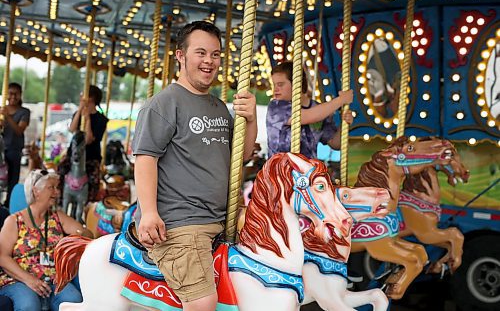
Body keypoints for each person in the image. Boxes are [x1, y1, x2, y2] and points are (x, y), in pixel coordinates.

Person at [132, 21, 257, 311]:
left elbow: (243, 153)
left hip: (223, 220)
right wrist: (149, 212)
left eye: (215, 55)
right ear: (180, 56)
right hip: (182, 224)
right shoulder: (163, 104)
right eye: (200, 53)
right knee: (203, 303)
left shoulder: (217, 106)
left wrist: (251, 119)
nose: (209, 61)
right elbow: (145, 159)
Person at [0, 169, 93, 311]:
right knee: (28, 305)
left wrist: (76, 236)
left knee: (73, 301)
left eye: (57, 188)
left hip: (53, 279)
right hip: (19, 279)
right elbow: (2, 257)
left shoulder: (57, 217)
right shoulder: (14, 221)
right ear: (36, 191)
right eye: (52, 188)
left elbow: (87, 234)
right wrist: (29, 279)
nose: (57, 192)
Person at [266, 61, 353, 158]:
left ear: (297, 83)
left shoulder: (319, 110)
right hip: (280, 170)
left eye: (280, 84)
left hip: (308, 170)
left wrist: (344, 124)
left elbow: (335, 144)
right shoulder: (276, 106)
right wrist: (340, 100)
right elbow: (306, 117)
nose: (275, 89)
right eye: (274, 85)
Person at [68, 85, 108, 202]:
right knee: (60, 173)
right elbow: (72, 129)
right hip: (74, 156)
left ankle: (90, 204)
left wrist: (88, 119)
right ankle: (60, 201)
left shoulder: (101, 120)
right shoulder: (77, 114)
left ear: (92, 99)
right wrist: (80, 111)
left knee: (93, 181)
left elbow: (89, 139)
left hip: (91, 157)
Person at [0, 82, 30, 208]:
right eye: (10, 94)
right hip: (1, 149)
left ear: (20, 95)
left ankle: (8, 204)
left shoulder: (24, 112)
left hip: (13, 149)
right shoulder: (2, 110)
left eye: (16, 94)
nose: (13, 97)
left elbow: (19, 130)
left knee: (12, 178)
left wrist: (7, 117)